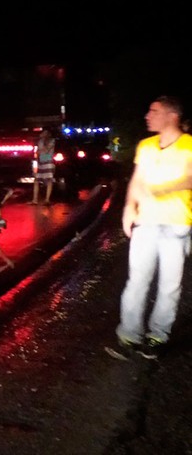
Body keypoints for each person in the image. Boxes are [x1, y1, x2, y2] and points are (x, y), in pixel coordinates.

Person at [106, 95, 192, 360]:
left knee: (169, 285)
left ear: (171, 115)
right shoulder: (146, 145)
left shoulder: (189, 144)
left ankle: (157, 336)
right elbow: (137, 179)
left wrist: (164, 188)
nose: (148, 115)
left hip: (177, 223)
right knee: (137, 281)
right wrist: (128, 207)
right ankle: (129, 335)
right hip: (147, 221)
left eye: (154, 111)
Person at [31, 128, 56, 205]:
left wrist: (41, 150)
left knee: (49, 181)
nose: (40, 135)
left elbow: (46, 150)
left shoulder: (52, 141)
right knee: (37, 180)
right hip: (41, 162)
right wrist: (40, 150)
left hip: (48, 161)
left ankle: (47, 200)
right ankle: (34, 200)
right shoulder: (40, 141)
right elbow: (38, 151)